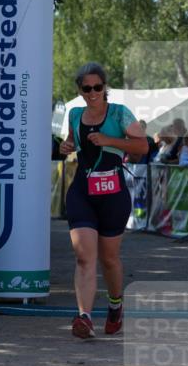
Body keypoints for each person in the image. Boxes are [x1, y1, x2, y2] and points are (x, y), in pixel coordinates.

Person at [59, 62, 148, 339]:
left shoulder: (120, 113)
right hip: (83, 192)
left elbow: (142, 147)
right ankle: (84, 317)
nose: (93, 92)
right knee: (84, 256)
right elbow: (72, 143)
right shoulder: (75, 114)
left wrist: (111, 140)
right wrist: (66, 146)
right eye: (87, 88)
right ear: (80, 90)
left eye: (97, 87)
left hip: (113, 194)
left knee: (109, 259)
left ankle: (115, 305)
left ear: (105, 87)